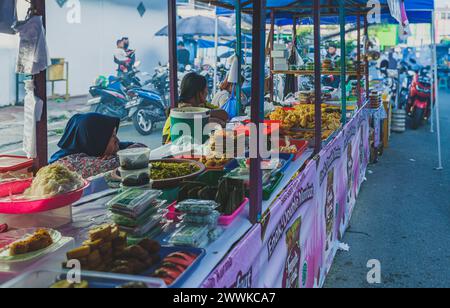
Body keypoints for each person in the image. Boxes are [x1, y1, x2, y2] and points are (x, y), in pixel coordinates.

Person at [50, 113, 142, 178]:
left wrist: (115, 154)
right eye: (113, 136)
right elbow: (127, 160)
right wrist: (117, 156)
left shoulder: (88, 146)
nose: (117, 140)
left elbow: (140, 147)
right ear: (97, 140)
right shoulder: (70, 163)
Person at [162, 72, 228, 144]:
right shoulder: (179, 112)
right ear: (200, 93)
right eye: (206, 89)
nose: (207, 92)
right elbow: (168, 143)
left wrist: (204, 116)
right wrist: (206, 120)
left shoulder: (202, 105)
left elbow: (224, 114)